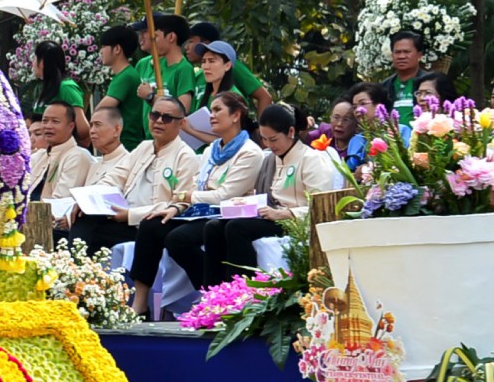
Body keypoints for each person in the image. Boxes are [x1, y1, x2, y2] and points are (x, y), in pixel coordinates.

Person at [166, 103, 343, 291]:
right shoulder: (271, 159)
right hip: (271, 215)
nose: (268, 145)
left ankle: (242, 293)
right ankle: (215, 294)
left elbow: (320, 208)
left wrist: (286, 214)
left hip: (295, 222)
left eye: (273, 139)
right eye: (264, 139)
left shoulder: (312, 159)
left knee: (237, 228)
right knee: (213, 227)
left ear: (291, 132)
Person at [126, 92, 267, 315]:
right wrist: (176, 207)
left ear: (235, 116)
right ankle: (140, 303)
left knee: (178, 239)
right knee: (151, 225)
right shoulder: (212, 150)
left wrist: (186, 197)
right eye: (211, 110)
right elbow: (196, 186)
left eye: (218, 110)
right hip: (199, 211)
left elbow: (225, 195)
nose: (212, 115)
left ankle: (214, 294)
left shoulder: (250, 152)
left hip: (225, 214)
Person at [69, 95, 199, 253]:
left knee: (89, 235)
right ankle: (73, 264)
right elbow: (115, 177)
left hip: (150, 226)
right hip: (122, 219)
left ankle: (74, 263)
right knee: (84, 214)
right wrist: (88, 199)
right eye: (154, 115)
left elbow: (180, 204)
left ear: (182, 123)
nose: (158, 121)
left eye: (167, 118)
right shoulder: (144, 147)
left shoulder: (185, 156)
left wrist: (131, 214)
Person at [26, 100, 96, 202]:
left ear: (71, 126)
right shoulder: (40, 156)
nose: (48, 126)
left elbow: (61, 202)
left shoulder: (78, 156)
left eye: (55, 121)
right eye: (45, 121)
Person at [28, 40, 90, 142]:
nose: (32, 63)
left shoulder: (66, 88)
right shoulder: (42, 88)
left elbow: (83, 130)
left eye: (34, 58)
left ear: (42, 62)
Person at [99, 26, 149, 149]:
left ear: (117, 49)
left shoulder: (125, 77)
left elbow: (100, 111)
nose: (101, 51)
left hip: (126, 144)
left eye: (104, 46)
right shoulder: (125, 74)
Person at [380, 29, 426, 125]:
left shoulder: (429, 82)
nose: (401, 56)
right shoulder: (384, 86)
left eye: (407, 52)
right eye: (397, 52)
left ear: (419, 55)